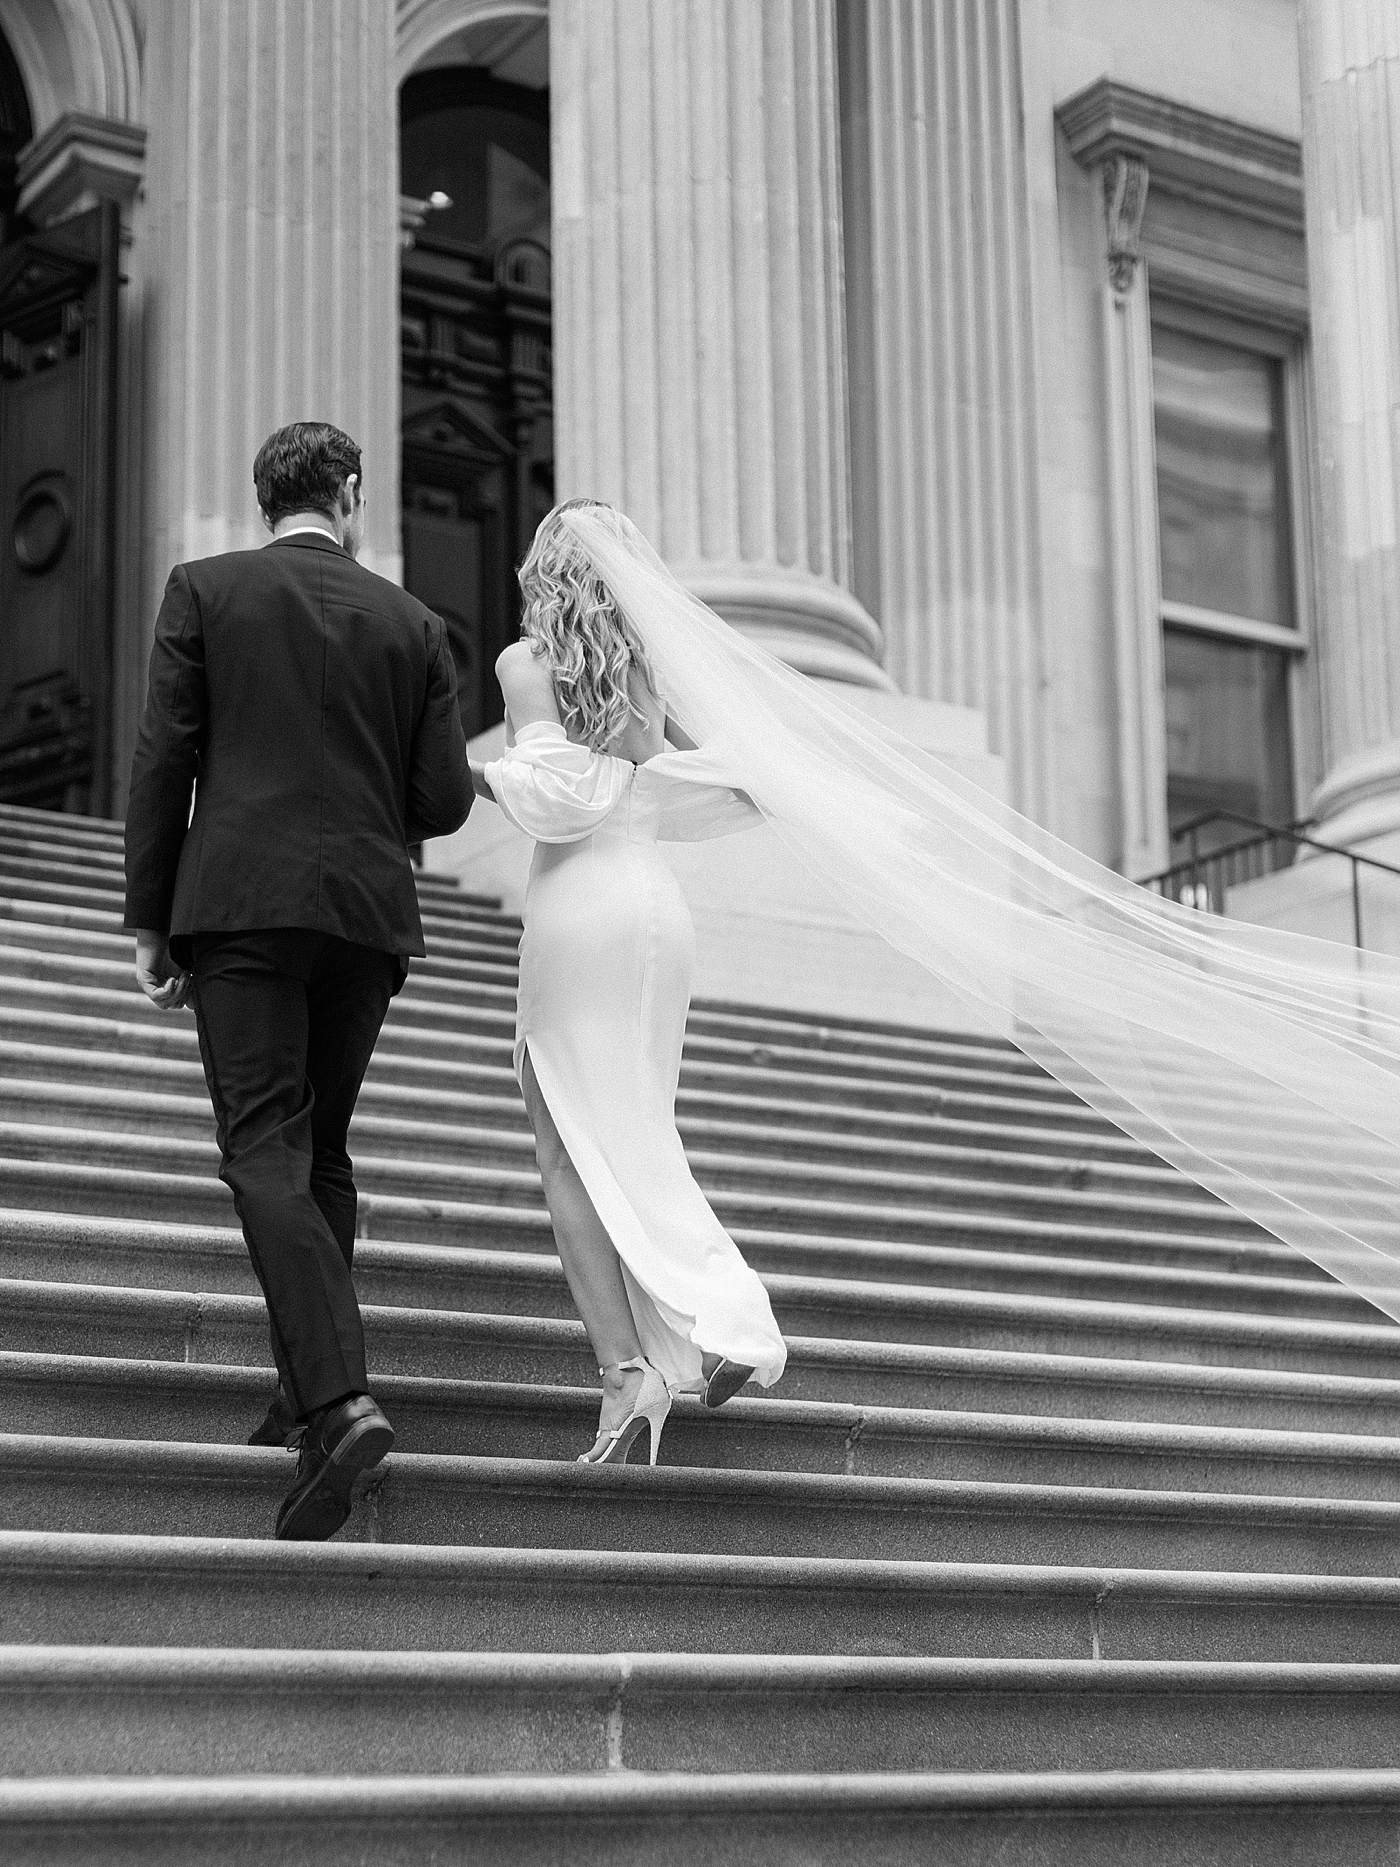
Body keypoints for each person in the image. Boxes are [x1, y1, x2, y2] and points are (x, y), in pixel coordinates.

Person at [124, 420, 472, 1539]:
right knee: (318, 1149)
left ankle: (337, 1399)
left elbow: (162, 757)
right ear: (353, 495)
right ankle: (300, 1384)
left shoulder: (205, 590)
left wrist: (148, 917)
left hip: (241, 907)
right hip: (365, 921)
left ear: (265, 500)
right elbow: (446, 802)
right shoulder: (414, 623)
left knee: (264, 1145)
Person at [472, 499, 788, 1464]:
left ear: (544, 569)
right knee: (638, 1125)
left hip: (583, 913)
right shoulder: (646, 674)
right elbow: (690, 778)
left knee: (564, 1143)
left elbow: (563, 801)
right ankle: (689, 1333)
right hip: (656, 909)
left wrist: (475, 774)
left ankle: (650, 1358)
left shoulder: (527, 664)